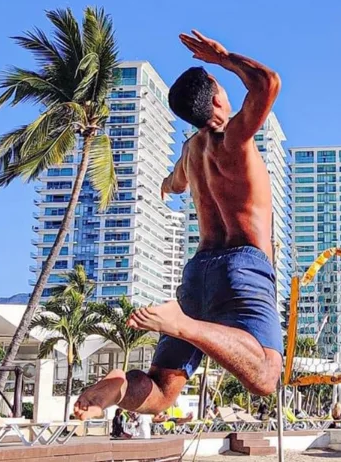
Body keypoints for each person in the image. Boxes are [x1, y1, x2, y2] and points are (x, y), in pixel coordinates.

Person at [73, 31, 283, 420]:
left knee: (162, 391)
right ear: (218, 98)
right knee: (267, 376)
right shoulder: (234, 137)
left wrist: (168, 187)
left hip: (199, 273)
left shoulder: (190, 151)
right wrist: (222, 58)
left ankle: (120, 388)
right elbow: (268, 83)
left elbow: (175, 182)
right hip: (243, 266)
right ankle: (184, 324)